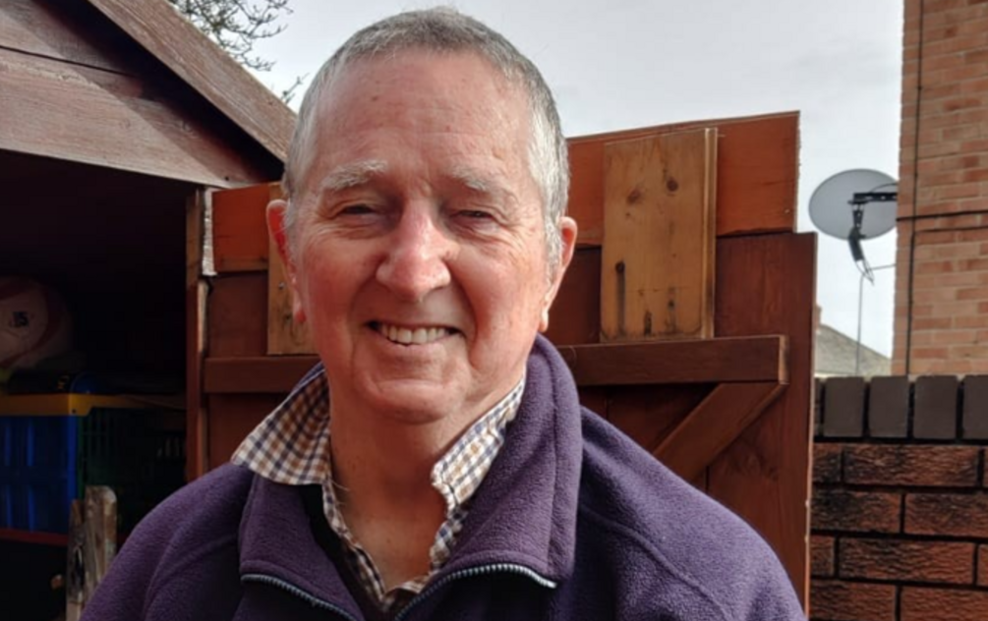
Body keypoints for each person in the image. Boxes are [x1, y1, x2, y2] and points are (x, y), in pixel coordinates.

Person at [83, 8, 806, 621]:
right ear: (291, 256)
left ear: (551, 268)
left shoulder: (708, 593)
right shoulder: (164, 575)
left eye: (474, 213)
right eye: (361, 208)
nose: (413, 268)